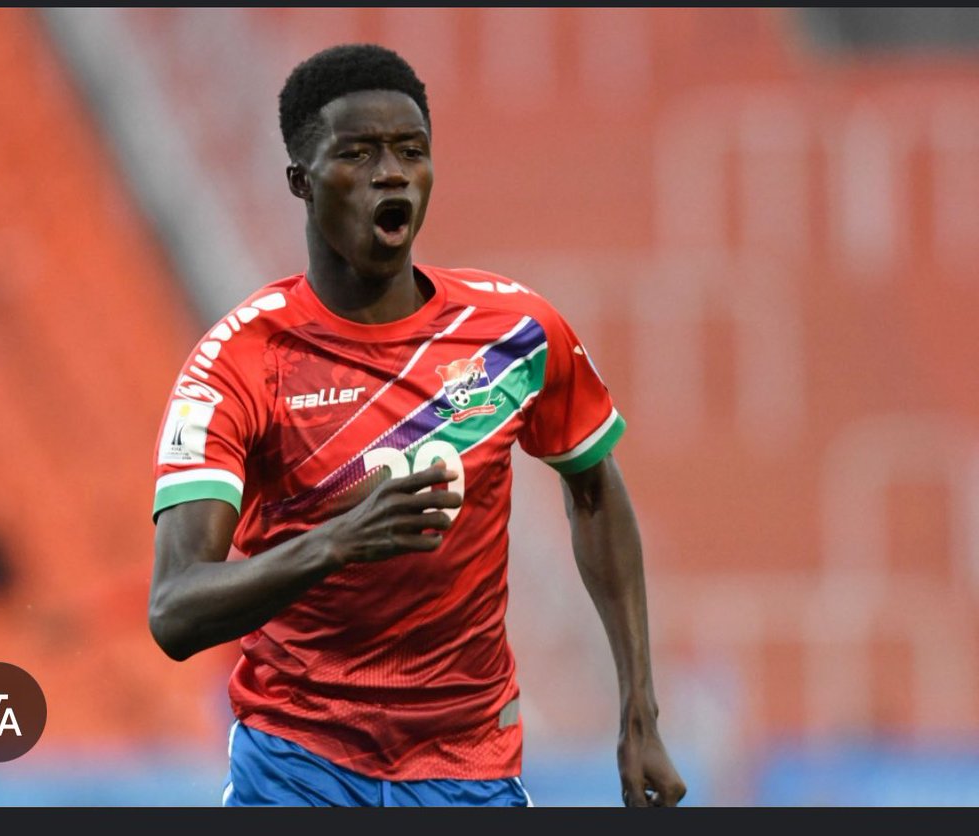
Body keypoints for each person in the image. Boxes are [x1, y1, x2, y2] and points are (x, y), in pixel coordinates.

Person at [148, 43, 686, 807]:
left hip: (468, 767)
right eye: (357, 154)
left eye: (410, 151)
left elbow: (594, 490)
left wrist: (640, 714)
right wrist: (336, 542)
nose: (391, 173)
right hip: (299, 764)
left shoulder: (515, 335)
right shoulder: (238, 361)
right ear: (301, 181)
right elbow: (174, 610)